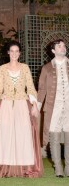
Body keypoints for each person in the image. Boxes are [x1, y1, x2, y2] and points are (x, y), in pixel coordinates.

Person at [0, 40, 43, 178]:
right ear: (8, 53)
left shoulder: (25, 68)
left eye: (17, 51)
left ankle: (25, 168)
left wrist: (34, 105)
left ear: (20, 53)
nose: (14, 54)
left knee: (24, 136)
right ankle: (5, 168)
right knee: (5, 136)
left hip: (22, 104)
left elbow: (30, 87)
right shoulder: (2, 68)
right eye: (12, 51)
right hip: (5, 104)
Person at [37, 39, 69, 178]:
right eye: (59, 46)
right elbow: (41, 89)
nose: (63, 48)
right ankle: (58, 168)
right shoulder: (46, 68)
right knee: (54, 138)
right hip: (53, 106)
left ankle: (68, 167)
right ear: (53, 51)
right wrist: (37, 106)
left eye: (64, 46)